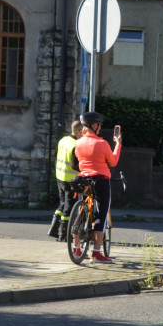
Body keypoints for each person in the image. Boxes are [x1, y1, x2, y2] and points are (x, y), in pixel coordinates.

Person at [72, 111, 122, 263]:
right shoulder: (102, 143)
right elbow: (113, 162)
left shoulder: (78, 143)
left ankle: (76, 248)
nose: (99, 128)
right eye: (99, 125)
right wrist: (118, 144)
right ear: (94, 126)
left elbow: (76, 163)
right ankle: (96, 252)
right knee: (101, 213)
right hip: (100, 180)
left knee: (81, 211)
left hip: (83, 179)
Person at [48, 120, 85, 241]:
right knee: (69, 207)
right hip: (70, 179)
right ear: (79, 131)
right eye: (83, 131)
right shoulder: (75, 144)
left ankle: (53, 230)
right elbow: (75, 165)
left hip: (60, 176)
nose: (84, 133)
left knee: (63, 204)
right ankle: (63, 235)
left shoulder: (63, 140)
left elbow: (57, 156)